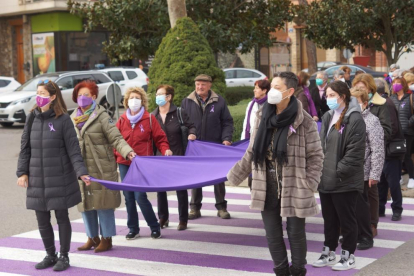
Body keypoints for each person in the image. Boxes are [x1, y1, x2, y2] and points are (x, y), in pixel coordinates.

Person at [227, 71, 323, 276]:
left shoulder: (304, 120)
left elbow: (316, 156)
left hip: (295, 184)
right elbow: (252, 150)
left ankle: (297, 270)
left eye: (276, 88)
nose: (272, 91)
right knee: (272, 233)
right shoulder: (262, 115)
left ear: (289, 91)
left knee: (296, 233)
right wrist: (235, 175)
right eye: (271, 87)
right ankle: (281, 270)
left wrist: (309, 183)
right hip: (266, 182)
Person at [17, 80, 91, 271]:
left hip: (60, 177)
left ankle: (64, 256)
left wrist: (81, 172)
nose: (39, 96)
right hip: (37, 178)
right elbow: (25, 148)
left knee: (61, 217)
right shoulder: (32, 118)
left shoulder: (63, 119)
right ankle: (50, 254)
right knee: (42, 219)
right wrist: (22, 172)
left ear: (52, 97)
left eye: (43, 93)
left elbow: (74, 150)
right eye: (37, 92)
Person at [71, 80, 135, 252]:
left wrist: (128, 152)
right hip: (81, 168)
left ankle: (107, 239)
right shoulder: (72, 118)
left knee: (104, 203)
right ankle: (92, 237)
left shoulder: (102, 116)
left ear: (93, 97)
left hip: (102, 167)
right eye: (79, 95)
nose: (82, 98)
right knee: (86, 203)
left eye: (86, 95)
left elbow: (116, 138)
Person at [313, 81, 365, 271]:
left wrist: (337, 171)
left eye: (332, 95)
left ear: (343, 97)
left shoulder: (354, 119)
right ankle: (329, 251)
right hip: (325, 179)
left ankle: (348, 255)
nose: (329, 99)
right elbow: (320, 146)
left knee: (347, 220)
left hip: (344, 180)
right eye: (327, 95)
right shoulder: (328, 116)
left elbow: (355, 152)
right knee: (330, 219)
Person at [115, 87, 172, 239]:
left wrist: (165, 149)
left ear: (142, 101)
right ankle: (133, 229)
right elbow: (115, 141)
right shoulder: (121, 120)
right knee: (128, 197)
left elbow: (160, 138)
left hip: (141, 163)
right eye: (131, 98)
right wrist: (118, 155)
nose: (134, 100)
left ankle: (154, 227)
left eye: (137, 98)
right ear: (126, 101)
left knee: (140, 196)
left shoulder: (150, 119)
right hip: (124, 162)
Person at [181, 74, 234, 220]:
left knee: (218, 178)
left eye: (203, 84)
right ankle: (194, 208)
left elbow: (227, 122)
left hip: (215, 146)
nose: (200, 87)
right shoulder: (187, 102)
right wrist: (188, 136)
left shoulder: (219, 101)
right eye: (197, 84)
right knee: (196, 178)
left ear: (209, 85)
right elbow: (183, 125)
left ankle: (222, 208)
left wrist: (226, 139)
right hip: (196, 147)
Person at [152, 85, 197, 231]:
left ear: (169, 97)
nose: (157, 97)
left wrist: (192, 134)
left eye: (161, 94)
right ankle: (163, 217)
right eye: (156, 94)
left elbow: (192, 126)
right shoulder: (152, 116)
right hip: (160, 158)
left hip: (177, 156)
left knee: (180, 188)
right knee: (161, 189)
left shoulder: (179, 112)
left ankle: (183, 219)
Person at [352, 73, 391, 237]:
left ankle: (372, 223)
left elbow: (388, 129)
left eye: (363, 88)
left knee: (371, 191)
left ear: (370, 89)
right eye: (357, 87)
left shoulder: (381, 104)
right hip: (354, 160)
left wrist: (372, 137)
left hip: (372, 154)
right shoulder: (352, 105)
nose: (360, 90)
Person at [350, 87, 385, 250]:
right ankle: (354, 234)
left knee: (362, 205)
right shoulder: (347, 118)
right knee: (349, 205)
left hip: (363, 171)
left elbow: (377, 149)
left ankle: (366, 236)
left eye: (356, 102)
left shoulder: (372, 120)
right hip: (348, 170)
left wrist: (374, 174)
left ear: (364, 103)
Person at [390, 77, 414, 191]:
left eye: (398, 83)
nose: (395, 85)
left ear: (403, 85)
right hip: (395, 132)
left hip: (407, 132)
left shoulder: (410, 97)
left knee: (406, 155)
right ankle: (398, 176)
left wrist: (409, 123)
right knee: (397, 155)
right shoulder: (392, 98)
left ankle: (412, 178)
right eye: (394, 83)